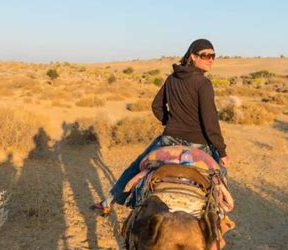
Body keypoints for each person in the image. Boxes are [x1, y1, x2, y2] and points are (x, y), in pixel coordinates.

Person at [93, 38, 229, 213]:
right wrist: (222, 152)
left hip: (169, 140)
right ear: (193, 57)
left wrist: (170, 121)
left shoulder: (172, 79)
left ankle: (108, 202)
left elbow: (156, 106)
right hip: (198, 143)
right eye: (205, 55)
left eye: (213, 56)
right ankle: (220, 217)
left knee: (135, 167)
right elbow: (210, 122)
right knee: (220, 178)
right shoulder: (203, 84)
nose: (210, 59)